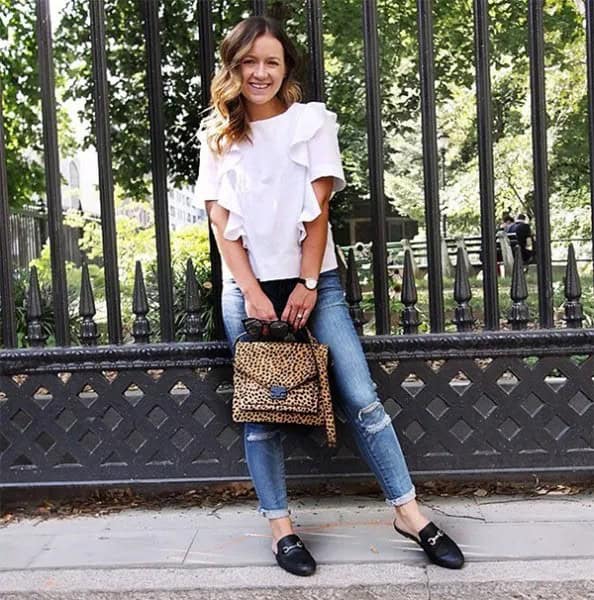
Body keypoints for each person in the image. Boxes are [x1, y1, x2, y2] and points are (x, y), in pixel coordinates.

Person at [195, 16, 464, 577]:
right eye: (249, 62)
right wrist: (252, 295)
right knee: (261, 412)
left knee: (361, 395)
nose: (260, 72)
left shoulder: (311, 124)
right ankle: (281, 529)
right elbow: (223, 228)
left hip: (318, 281)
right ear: (234, 68)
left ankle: (408, 513)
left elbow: (318, 215)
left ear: (285, 66)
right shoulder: (217, 135)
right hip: (246, 289)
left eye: (271, 61)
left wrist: (308, 284)